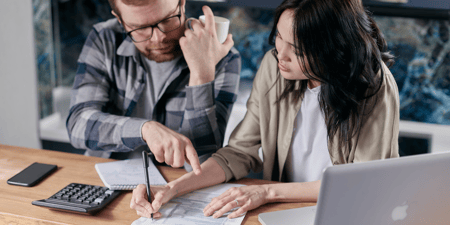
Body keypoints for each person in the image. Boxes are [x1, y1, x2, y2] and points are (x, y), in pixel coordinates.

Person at [130, 0, 400, 219]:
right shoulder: (274, 67)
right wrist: (173, 188)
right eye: (279, 38)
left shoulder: (374, 85)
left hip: (345, 214)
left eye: (297, 50)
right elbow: (238, 152)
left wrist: (269, 193)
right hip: (283, 213)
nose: (280, 54)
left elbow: (363, 183)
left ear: (333, 49)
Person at [66, 0, 241, 174]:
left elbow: (203, 164)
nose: (159, 38)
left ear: (182, 4)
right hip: (104, 176)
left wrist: (201, 75)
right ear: (120, 20)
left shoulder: (223, 57)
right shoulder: (105, 38)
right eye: (140, 28)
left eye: (167, 20)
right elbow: (78, 126)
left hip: (177, 186)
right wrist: (144, 130)